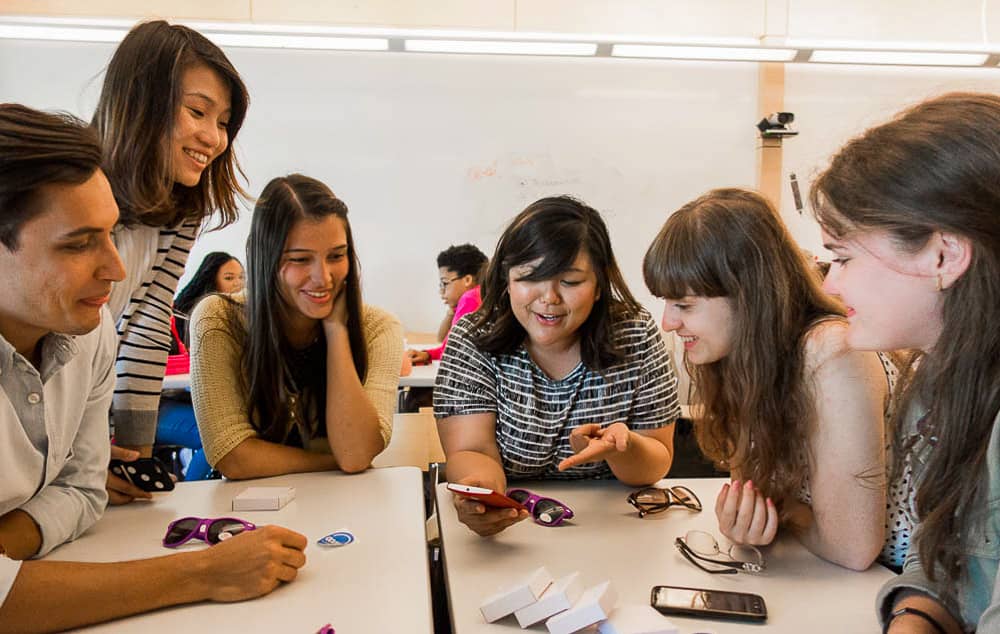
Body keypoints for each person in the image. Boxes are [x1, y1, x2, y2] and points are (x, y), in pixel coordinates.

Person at [0, 104, 306, 632]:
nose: (116, 270)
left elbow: (82, 489)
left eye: (112, 235)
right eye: (78, 244)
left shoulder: (91, 334)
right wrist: (204, 572)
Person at [810, 92, 1000, 633]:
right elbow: (940, 556)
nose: (830, 283)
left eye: (843, 257)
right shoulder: (938, 384)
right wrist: (913, 618)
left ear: (943, 255)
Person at [643, 188, 900, 571]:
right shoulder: (744, 358)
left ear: (748, 297)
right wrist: (753, 520)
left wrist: (785, 513)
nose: (668, 322)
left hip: (898, 585)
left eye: (684, 305)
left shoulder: (830, 351)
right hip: (829, 574)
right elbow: (757, 496)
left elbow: (853, 548)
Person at [435, 196, 681, 537]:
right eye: (528, 278)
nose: (549, 297)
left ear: (598, 286)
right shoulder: (474, 337)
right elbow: (471, 450)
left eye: (571, 282)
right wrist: (480, 493)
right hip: (516, 523)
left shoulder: (635, 334)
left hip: (616, 528)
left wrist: (622, 448)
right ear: (506, 280)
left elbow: (657, 458)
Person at [93, 20, 250, 503]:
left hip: (87, 416)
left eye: (223, 122)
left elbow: (144, 328)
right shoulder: (76, 190)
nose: (214, 138)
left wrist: (134, 456)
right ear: (140, 102)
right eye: (197, 112)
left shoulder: (179, 210)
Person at [189, 174, 403, 479]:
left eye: (336, 256)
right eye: (301, 259)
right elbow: (233, 457)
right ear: (266, 259)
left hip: (345, 508)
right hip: (250, 515)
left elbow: (355, 455)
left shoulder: (379, 328)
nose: (323, 277)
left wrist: (337, 332)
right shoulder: (218, 319)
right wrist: (332, 462)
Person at [405, 243, 488, 365]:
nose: (441, 291)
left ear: (467, 280)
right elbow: (444, 342)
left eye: (445, 283)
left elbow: (450, 348)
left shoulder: (470, 298)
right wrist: (428, 354)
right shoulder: (482, 296)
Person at [172, 251, 245, 348]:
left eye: (241, 277)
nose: (238, 283)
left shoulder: (243, 310)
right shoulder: (198, 313)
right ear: (211, 280)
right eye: (229, 278)